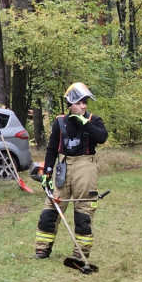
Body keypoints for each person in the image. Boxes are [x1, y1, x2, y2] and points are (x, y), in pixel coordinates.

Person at [34, 83, 108, 260]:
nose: (83, 106)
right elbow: (52, 149)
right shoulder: (60, 122)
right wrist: (47, 173)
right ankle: (42, 249)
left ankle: (80, 254)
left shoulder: (93, 120)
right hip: (64, 166)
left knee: (83, 211)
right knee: (51, 207)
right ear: (70, 104)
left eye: (85, 103)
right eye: (80, 103)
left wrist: (86, 125)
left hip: (86, 166)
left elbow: (102, 137)